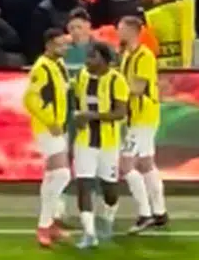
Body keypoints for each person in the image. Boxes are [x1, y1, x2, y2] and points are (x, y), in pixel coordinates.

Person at [71, 42, 129, 247]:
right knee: (84, 185)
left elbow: (120, 113)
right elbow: (75, 101)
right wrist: (77, 117)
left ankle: (108, 216)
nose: (87, 61)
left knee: (109, 190)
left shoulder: (117, 80)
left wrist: (92, 116)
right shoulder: (81, 76)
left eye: (92, 57)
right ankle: (89, 233)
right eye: (87, 57)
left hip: (108, 143)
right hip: (84, 141)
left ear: (104, 60)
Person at [118, 15, 169, 233]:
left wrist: (112, 89)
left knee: (126, 165)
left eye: (121, 29)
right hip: (137, 117)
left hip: (142, 117)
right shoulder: (127, 55)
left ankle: (145, 213)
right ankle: (160, 212)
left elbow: (137, 88)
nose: (118, 32)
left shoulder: (144, 56)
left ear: (132, 31)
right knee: (147, 164)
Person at [24, 27, 73, 248]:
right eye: (60, 44)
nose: (64, 48)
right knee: (62, 174)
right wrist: (49, 120)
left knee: (52, 175)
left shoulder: (59, 65)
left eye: (65, 44)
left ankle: (49, 223)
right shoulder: (41, 67)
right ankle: (44, 225)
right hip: (47, 128)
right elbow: (30, 99)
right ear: (49, 45)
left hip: (59, 126)